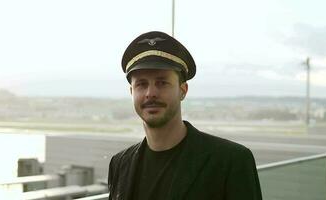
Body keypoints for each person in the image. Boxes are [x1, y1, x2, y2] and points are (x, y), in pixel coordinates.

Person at [108, 31, 262, 200]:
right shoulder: (119, 164)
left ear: (183, 90)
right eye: (141, 84)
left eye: (162, 83)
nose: (150, 93)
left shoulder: (231, 161)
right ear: (132, 92)